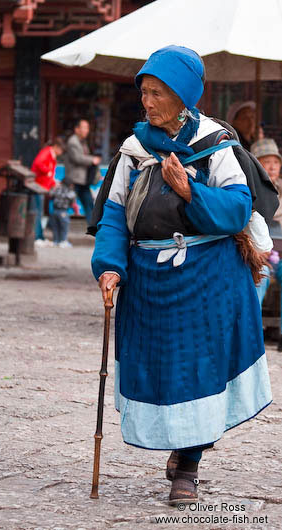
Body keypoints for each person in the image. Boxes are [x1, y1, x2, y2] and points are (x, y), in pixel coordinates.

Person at [91, 45, 272, 505]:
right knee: (160, 370)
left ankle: (187, 467)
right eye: (145, 93)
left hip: (206, 280)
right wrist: (109, 266)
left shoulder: (215, 145)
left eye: (158, 93)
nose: (147, 103)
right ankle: (180, 447)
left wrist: (189, 189)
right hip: (149, 282)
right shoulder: (133, 151)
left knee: (199, 370)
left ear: (184, 95)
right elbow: (114, 217)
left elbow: (236, 210)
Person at [251, 138, 282, 346]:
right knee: (259, 276)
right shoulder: (249, 189)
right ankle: (252, 335)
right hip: (257, 255)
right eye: (265, 162)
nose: (271, 167)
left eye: (275, 162)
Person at [64, 119, 101, 225]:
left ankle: (93, 226)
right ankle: (53, 226)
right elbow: (77, 158)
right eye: (84, 128)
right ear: (77, 129)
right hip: (74, 179)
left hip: (82, 180)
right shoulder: (73, 141)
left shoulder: (82, 142)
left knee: (89, 203)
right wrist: (92, 160)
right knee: (65, 203)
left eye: (87, 128)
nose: (86, 130)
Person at [31, 137, 65, 246]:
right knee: (37, 212)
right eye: (60, 150)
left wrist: (52, 180)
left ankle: (40, 236)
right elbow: (38, 163)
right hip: (37, 186)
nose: (60, 153)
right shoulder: (47, 153)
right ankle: (36, 237)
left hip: (42, 186)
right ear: (56, 147)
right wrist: (48, 173)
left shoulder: (51, 155)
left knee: (40, 212)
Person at [49, 178, 79, 248]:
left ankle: (56, 241)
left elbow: (50, 195)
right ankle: (63, 241)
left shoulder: (56, 189)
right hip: (63, 212)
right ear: (71, 185)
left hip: (54, 211)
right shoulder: (71, 192)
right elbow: (73, 204)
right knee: (64, 227)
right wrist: (76, 212)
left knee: (55, 227)